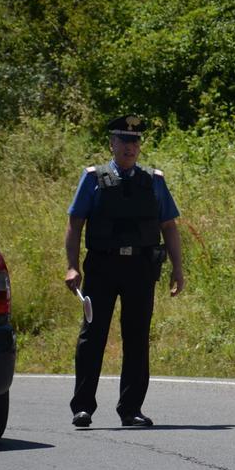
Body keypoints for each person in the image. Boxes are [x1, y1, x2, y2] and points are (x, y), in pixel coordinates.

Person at [64, 115, 184, 427]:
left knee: (137, 337)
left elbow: (169, 226)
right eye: (124, 141)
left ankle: (131, 409)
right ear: (112, 144)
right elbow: (75, 223)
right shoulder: (93, 178)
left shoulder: (154, 180)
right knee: (93, 335)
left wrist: (178, 268)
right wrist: (72, 266)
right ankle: (83, 407)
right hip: (102, 266)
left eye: (135, 142)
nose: (130, 147)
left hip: (140, 268)